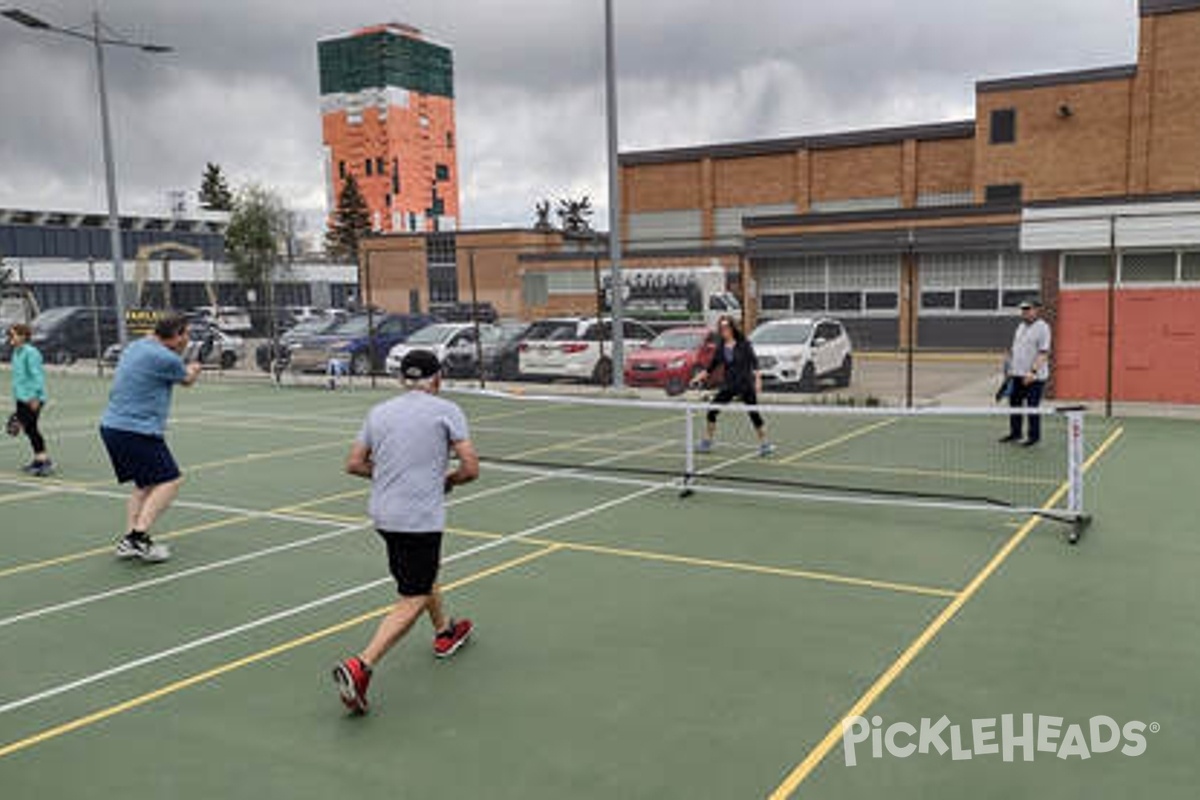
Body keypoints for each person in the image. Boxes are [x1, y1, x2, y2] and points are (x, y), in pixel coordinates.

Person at [333, 349, 480, 715]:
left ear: (402, 379)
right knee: (411, 597)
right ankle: (361, 665)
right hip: (418, 518)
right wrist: (446, 480)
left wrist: (387, 477)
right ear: (438, 379)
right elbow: (471, 468)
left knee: (423, 574)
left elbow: (354, 464)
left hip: (384, 515)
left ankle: (445, 632)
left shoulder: (379, 412)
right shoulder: (447, 409)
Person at [99, 313, 202, 563]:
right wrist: (195, 367)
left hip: (112, 427)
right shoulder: (165, 358)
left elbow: (158, 346)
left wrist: (179, 352)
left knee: (144, 486)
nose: (188, 339)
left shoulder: (138, 346)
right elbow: (186, 379)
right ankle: (138, 537)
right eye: (186, 334)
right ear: (176, 335)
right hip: (135, 430)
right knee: (170, 480)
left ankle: (130, 539)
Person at [691, 314, 774, 457]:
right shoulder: (721, 348)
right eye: (721, 327)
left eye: (726, 327)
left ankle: (765, 444)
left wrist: (758, 380)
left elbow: (754, 363)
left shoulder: (744, 344)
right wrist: (696, 378)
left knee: (754, 414)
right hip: (729, 385)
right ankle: (707, 442)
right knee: (712, 411)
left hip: (745, 384)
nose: (723, 330)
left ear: (732, 327)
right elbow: (710, 369)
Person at [1000, 298, 1052, 446]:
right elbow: (1015, 349)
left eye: (1028, 309)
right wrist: (1008, 367)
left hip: (1034, 378)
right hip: (1016, 375)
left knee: (1032, 407)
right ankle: (1015, 433)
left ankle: (1033, 437)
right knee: (1015, 406)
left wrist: (1033, 372)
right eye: (1023, 309)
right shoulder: (1020, 326)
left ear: (1036, 310)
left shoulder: (1043, 328)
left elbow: (1043, 353)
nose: (1024, 312)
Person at [7, 323, 53, 476]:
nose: (10, 338)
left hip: (33, 398)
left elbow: (37, 376)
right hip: (21, 397)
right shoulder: (16, 353)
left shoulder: (31, 353)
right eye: (9, 335)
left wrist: (35, 397)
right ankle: (39, 459)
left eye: (12, 335)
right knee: (30, 428)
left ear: (23, 336)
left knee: (30, 428)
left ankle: (44, 462)